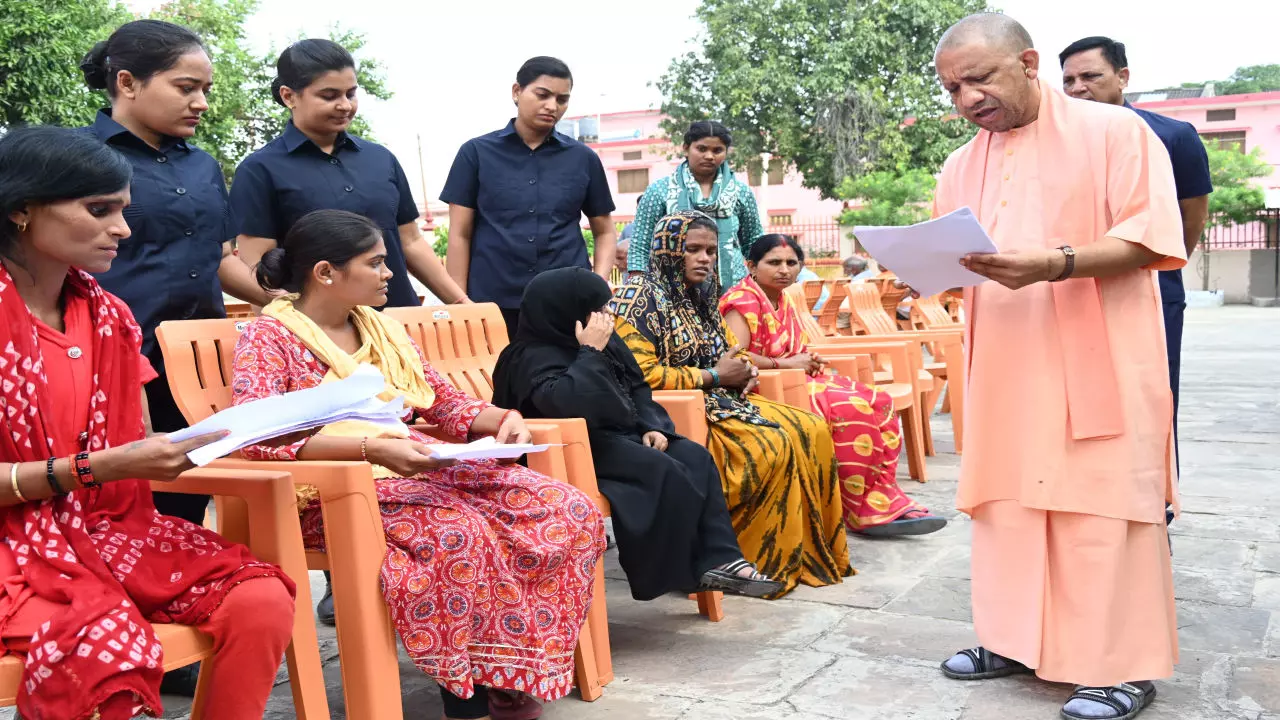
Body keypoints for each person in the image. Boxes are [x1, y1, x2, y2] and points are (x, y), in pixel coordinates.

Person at [231, 208, 605, 720]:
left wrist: (500, 416)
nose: (390, 274)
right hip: (329, 490)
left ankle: (511, 665)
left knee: (565, 509)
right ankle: (466, 691)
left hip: (415, 467)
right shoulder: (268, 336)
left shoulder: (381, 329)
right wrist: (369, 450)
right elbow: (257, 435)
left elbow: (440, 401)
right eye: (377, 263)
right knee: (459, 532)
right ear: (325, 273)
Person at [929, 14, 1184, 720]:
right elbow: (952, 250)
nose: (967, 99)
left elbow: (1151, 235)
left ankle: (1121, 666)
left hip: (1100, 351)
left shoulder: (1116, 133)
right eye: (953, 88)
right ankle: (1013, 640)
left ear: (1029, 62)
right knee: (1008, 504)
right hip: (1005, 359)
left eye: (980, 78)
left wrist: (1055, 263)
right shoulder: (961, 162)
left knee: (1102, 506)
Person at [0, 125, 295, 720]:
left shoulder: (110, 317)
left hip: (104, 530)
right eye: (99, 209)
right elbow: (110, 461)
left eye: (123, 211)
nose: (123, 230)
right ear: (22, 210)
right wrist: (98, 467)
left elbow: (134, 444)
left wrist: (199, 445)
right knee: (108, 649)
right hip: (13, 547)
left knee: (260, 599)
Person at [80, 20, 272, 533]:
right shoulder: (80, 161)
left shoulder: (203, 167)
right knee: (113, 501)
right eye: (186, 88)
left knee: (187, 498)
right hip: (112, 359)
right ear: (127, 83)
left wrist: (285, 301)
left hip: (196, 363)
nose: (202, 103)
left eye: (205, 90)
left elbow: (219, 257)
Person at [492, 267, 784, 600]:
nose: (607, 316)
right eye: (597, 309)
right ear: (567, 311)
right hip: (566, 448)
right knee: (662, 469)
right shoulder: (528, 355)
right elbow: (566, 404)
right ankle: (679, 574)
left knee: (695, 456)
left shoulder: (606, 341)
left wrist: (651, 426)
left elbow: (637, 388)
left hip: (617, 438)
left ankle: (724, 559)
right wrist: (589, 353)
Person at [611, 211, 851, 597]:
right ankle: (752, 561)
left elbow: (734, 352)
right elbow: (637, 375)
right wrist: (713, 377)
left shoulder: (702, 296)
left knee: (811, 429)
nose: (705, 258)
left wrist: (744, 369)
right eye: (692, 250)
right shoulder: (638, 297)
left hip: (722, 400)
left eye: (709, 250)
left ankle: (804, 556)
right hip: (671, 410)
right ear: (668, 250)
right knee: (770, 445)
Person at [1059, 35, 1211, 498]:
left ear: (1123, 77)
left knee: (1151, 397)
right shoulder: (1057, 144)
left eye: (1090, 76)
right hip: (1070, 283)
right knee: (1077, 397)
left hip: (1151, 286)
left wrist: (1151, 266)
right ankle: (1087, 498)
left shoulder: (1171, 136)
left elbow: (1191, 220)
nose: (1078, 88)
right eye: (1067, 80)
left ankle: (1154, 505)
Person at [721, 235, 947, 537]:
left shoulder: (782, 297)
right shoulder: (742, 300)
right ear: (751, 266)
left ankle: (881, 499)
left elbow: (790, 350)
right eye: (774, 262)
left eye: (791, 263)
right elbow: (738, 357)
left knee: (879, 401)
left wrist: (806, 360)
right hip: (760, 387)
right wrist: (788, 364)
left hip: (795, 379)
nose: (784, 270)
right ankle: (859, 509)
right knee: (848, 407)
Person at [231, 39, 466, 311]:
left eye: (350, 94)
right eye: (329, 96)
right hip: (319, 333)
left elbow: (411, 241)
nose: (344, 105)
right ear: (289, 96)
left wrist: (462, 303)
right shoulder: (260, 169)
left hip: (397, 320)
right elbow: (259, 267)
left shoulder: (380, 159)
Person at [441, 56, 617, 332]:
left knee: (569, 374)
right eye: (542, 95)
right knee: (497, 375)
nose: (552, 106)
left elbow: (605, 231)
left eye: (562, 99)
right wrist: (458, 304)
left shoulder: (583, 158)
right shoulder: (475, 153)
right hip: (493, 301)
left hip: (567, 300)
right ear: (516, 92)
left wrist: (598, 283)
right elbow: (460, 234)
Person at [626, 122, 764, 290]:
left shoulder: (741, 192)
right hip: (673, 291)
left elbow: (754, 243)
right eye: (701, 149)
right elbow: (641, 243)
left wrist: (760, 286)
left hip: (732, 290)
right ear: (686, 148)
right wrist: (638, 285)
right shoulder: (660, 191)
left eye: (717, 150)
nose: (709, 156)